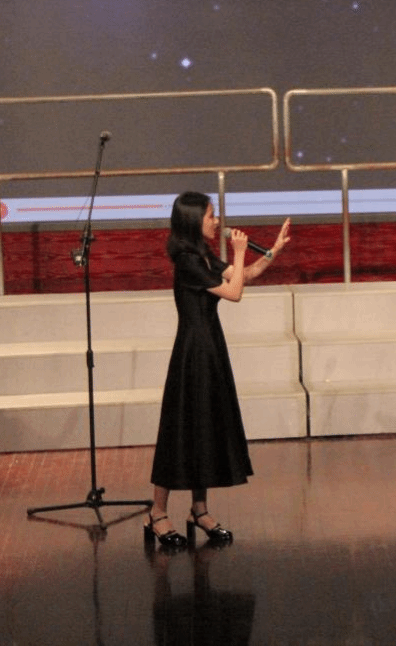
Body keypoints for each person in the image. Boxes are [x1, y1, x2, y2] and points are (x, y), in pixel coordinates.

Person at [145, 191, 291, 548]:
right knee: (180, 428)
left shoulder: (202, 255)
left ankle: (199, 509)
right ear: (193, 219)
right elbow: (234, 293)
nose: (217, 221)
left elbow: (245, 276)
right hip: (192, 351)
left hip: (211, 348)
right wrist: (239, 252)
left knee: (205, 426)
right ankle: (157, 513)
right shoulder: (186, 261)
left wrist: (272, 250)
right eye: (211, 215)